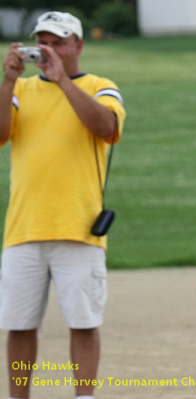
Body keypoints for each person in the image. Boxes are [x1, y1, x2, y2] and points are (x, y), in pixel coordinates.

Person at [0, 11, 126, 399]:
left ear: (78, 46)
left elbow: (106, 127)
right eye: (43, 41)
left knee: (84, 323)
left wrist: (62, 83)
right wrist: (7, 82)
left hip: (80, 226)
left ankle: (83, 397)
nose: (49, 49)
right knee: (19, 326)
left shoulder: (101, 86)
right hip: (24, 227)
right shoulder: (21, 89)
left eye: (58, 41)